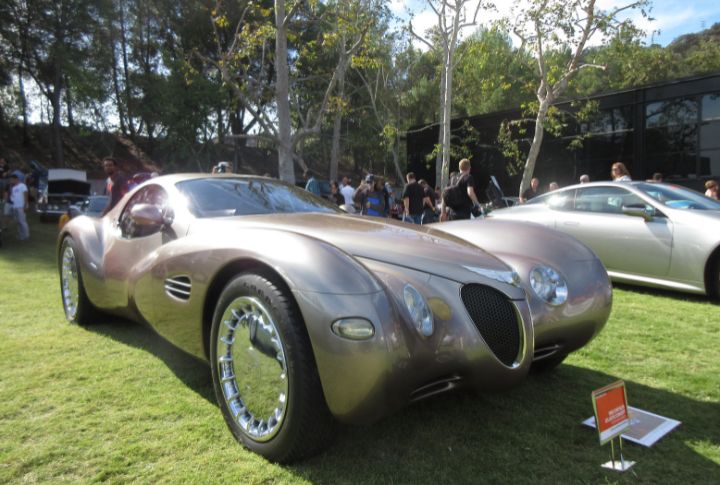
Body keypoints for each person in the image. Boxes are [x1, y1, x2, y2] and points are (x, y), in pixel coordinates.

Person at [8, 172, 29, 240]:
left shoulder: (22, 185)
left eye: (12, 180)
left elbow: (26, 195)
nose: (11, 181)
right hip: (15, 206)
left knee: (22, 221)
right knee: (18, 221)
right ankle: (20, 235)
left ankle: (25, 235)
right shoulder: (13, 187)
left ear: (16, 179)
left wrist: (25, 205)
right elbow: (12, 198)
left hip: (21, 206)